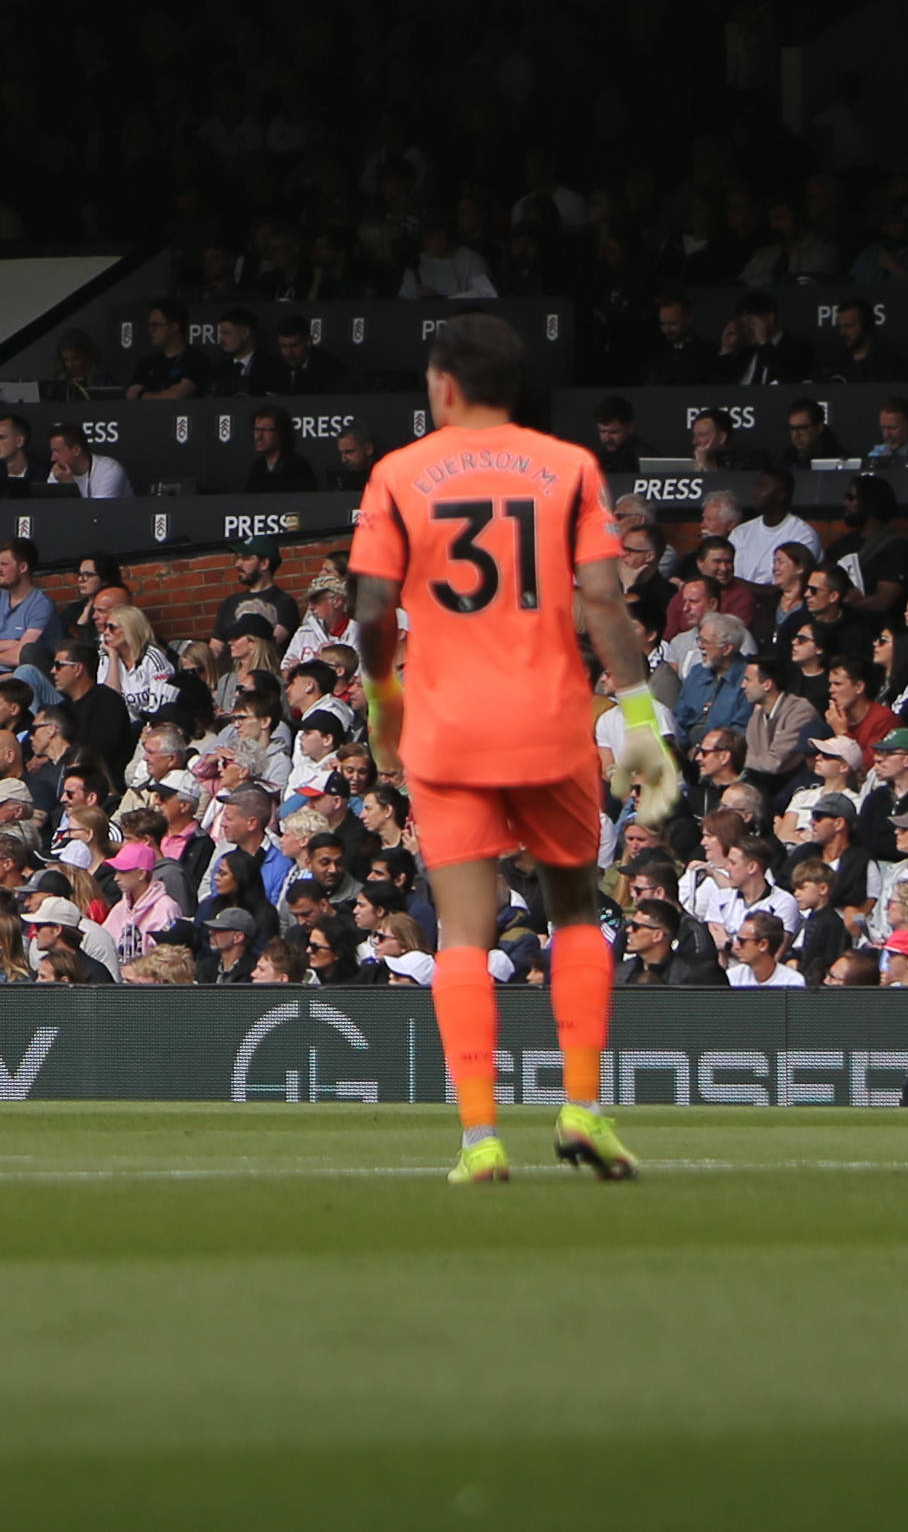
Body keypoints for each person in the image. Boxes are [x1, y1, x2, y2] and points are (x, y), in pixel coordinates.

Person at [345, 311, 667, 1188]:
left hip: (446, 728)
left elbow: (371, 610)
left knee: (461, 930)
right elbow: (603, 601)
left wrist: (382, 697)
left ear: (444, 384)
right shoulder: (568, 466)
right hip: (550, 722)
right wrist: (639, 714)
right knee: (574, 911)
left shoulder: (397, 472)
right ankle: (580, 1108)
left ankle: (480, 1138)